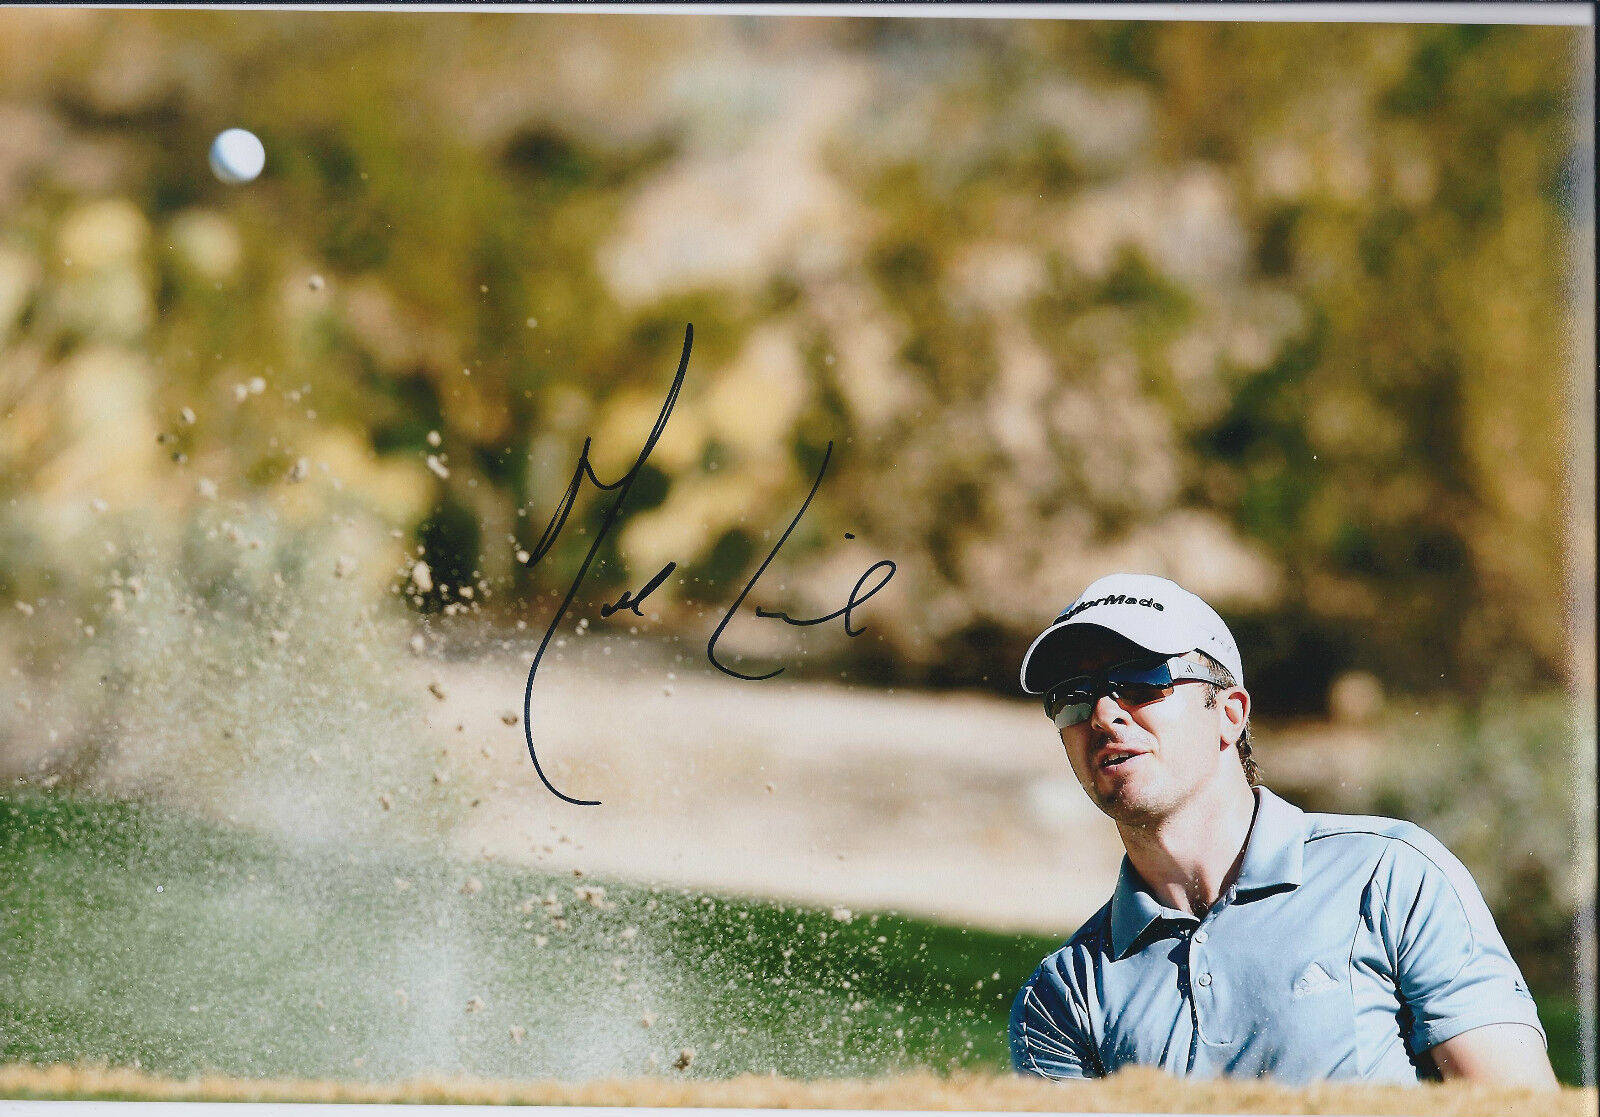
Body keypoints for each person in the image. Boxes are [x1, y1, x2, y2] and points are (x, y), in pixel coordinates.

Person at [1008, 572, 1557, 1087]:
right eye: (1073, 697)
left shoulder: (1389, 875)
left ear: (1230, 713)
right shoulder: (1062, 998)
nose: (1103, 713)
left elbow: (1516, 1107)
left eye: (1139, 681)